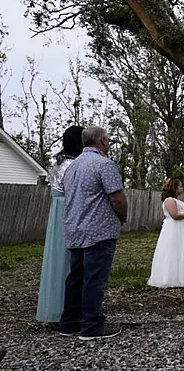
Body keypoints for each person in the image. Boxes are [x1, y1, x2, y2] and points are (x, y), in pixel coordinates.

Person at [59, 125, 127, 340]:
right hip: (98, 230)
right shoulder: (104, 165)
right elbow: (117, 198)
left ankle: (69, 323)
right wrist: (123, 216)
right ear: (103, 140)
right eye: (108, 139)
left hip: (74, 229)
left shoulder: (72, 167)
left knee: (75, 278)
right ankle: (91, 325)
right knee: (94, 279)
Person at [36, 125, 84, 326]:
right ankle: (69, 309)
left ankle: (54, 306)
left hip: (57, 210)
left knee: (56, 259)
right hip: (69, 209)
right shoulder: (73, 165)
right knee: (70, 260)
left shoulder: (57, 163)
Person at [147, 178, 184, 288]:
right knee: (173, 251)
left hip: (181, 228)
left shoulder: (175, 200)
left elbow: (178, 211)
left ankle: (182, 277)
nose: (182, 188)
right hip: (174, 228)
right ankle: (170, 278)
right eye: (180, 186)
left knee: (181, 250)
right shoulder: (170, 200)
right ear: (174, 188)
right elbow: (174, 215)